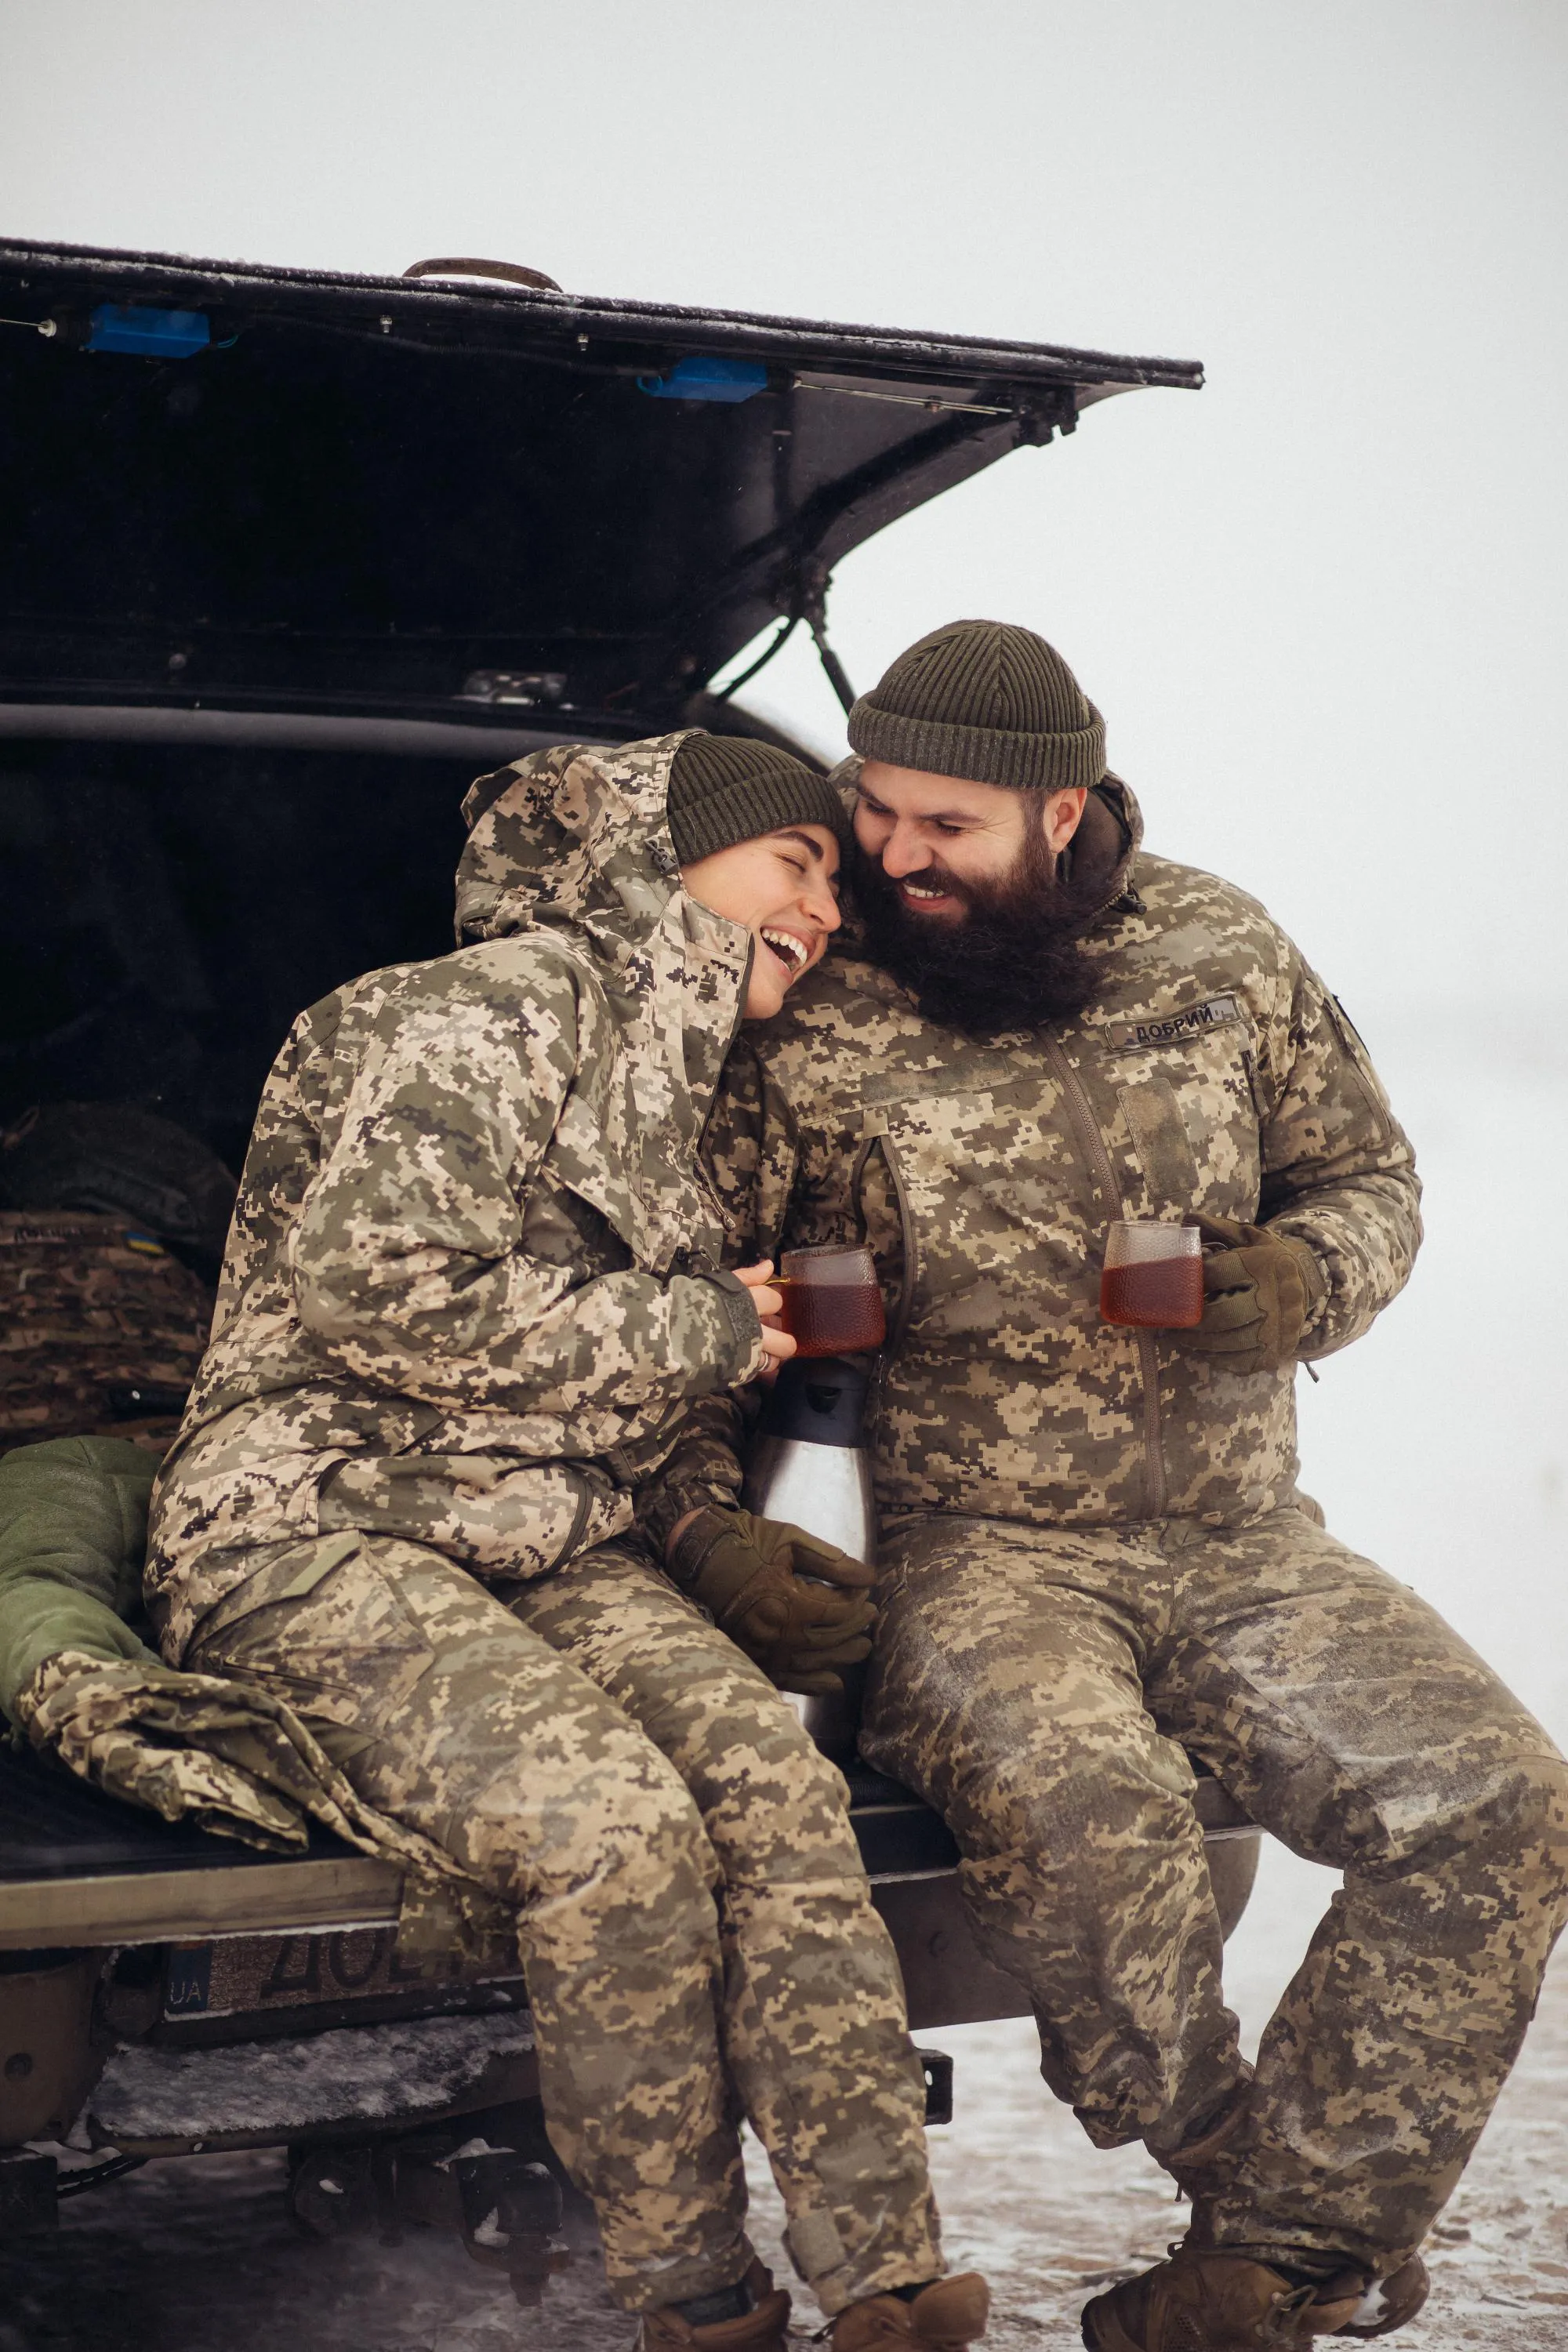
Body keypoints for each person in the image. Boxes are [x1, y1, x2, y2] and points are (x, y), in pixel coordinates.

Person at [639, 625, 1568, 2349]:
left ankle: (1255, 2276)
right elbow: (683, 1302)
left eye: (945, 825)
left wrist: (1303, 1281)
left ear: (1061, 813)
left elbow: (1366, 1178)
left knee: (1498, 1801)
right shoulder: (811, 990)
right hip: (961, 1551)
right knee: (1095, 1819)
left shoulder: (1220, 948)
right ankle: (1244, 2171)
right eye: (874, 809)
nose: (892, 855)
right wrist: (707, 1528)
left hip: (1237, 1537)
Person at [145, 731, 989, 2352]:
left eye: (835, 882)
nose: (826, 909)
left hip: (546, 1530)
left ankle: (890, 2280)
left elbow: (633, 1389)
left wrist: (705, 1529)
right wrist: (700, 1327)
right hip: (316, 1519)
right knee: (615, 1826)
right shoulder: (477, 1010)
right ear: (660, 855)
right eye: (796, 861)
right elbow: (380, 1288)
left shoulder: (677, 1089)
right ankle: (696, 2297)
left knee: (772, 1785)